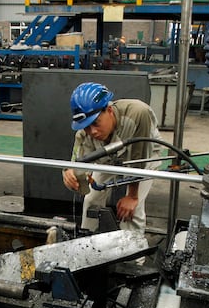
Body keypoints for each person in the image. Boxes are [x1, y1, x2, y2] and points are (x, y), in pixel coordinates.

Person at [62, 82, 162, 233]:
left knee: (131, 211)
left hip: (143, 156)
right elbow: (77, 167)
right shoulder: (84, 135)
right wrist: (71, 175)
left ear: (108, 110)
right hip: (109, 158)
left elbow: (139, 159)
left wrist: (132, 196)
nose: (92, 131)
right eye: (86, 126)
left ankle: (135, 255)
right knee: (91, 201)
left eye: (95, 123)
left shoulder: (138, 113)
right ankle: (88, 246)